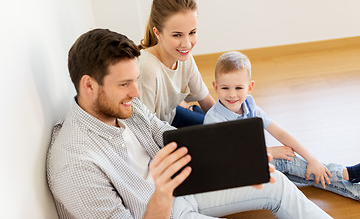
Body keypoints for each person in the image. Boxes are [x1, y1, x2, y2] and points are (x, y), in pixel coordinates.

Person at [46, 28, 333, 219]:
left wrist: (238, 164)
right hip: (163, 209)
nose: (135, 92)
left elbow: (168, 135)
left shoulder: (124, 107)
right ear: (88, 85)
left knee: (278, 184)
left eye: (135, 80)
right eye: (124, 84)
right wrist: (162, 193)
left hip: (183, 187)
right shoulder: (75, 163)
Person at [204, 51, 360, 201]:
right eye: (225, 88)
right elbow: (228, 157)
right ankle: (347, 172)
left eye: (238, 88)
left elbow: (281, 134)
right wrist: (270, 152)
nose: (232, 94)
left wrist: (313, 160)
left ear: (249, 87)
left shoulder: (249, 105)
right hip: (233, 174)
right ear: (216, 87)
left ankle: (356, 192)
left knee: (306, 174)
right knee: (284, 161)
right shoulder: (213, 119)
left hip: (255, 163)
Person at [137, 0, 215, 128]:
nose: (186, 44)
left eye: (192, 32)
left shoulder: (185, 59)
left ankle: (188, 108)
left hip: (171, 115)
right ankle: (189, 108)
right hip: (154, 130)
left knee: (218, 129)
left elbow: (206, 101)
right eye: (177, 35)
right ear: (158, 33)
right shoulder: (148, 69)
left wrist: (232, 125)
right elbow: (145, 129)